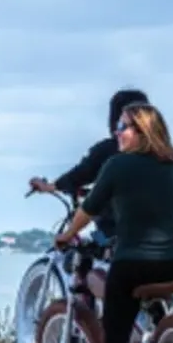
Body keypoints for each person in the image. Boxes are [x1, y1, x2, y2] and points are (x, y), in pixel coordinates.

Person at [54, 102, 173, 343]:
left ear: (142, 131)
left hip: (132, 264)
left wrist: (68, 235)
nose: (117, 131)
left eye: (124, 126)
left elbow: (89, 208)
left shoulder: (117, 166)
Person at [29, 88, 149, 242]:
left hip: (119, 236)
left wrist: (50, 187)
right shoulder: (167, 159)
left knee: (96, 256)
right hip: (164, 244)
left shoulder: (112, 155)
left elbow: (82, 178)